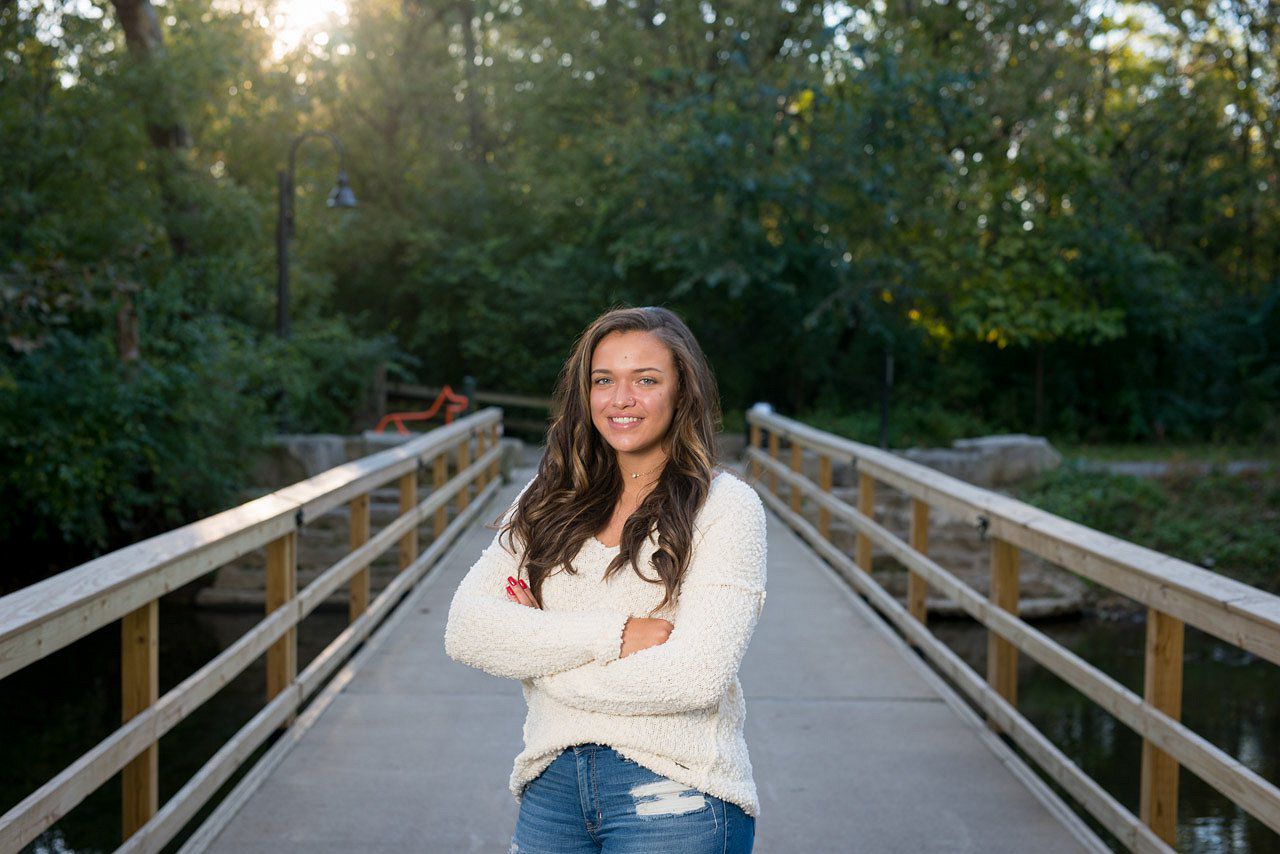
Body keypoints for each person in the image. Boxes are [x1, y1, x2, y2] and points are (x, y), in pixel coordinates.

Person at [444, 305, 766, 853]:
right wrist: (612, 636)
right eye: (603, 380)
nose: (621, 399)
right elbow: (468, 629)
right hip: (550, 787)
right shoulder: (547, 499)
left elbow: (692, 677)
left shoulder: (726, 508)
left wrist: (540, 662)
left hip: (676, 792)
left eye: (646, 380)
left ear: (681, 391)